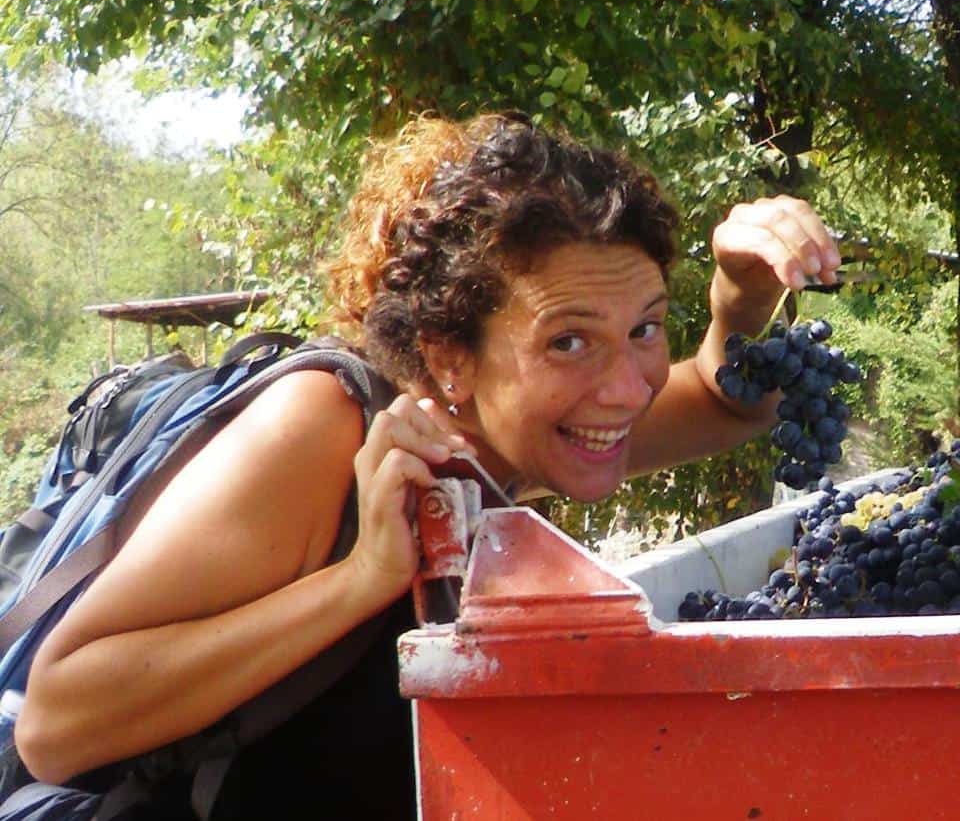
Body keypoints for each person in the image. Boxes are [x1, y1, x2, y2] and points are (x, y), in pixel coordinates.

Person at [13, 112, 840, 818]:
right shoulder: (323, 430)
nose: (627, 388)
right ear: (451, 359)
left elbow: (729, 402)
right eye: (569, 340)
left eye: (646, 328)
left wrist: (742, 294)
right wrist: (362, 577)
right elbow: (55, 725)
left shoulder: (513, 434)